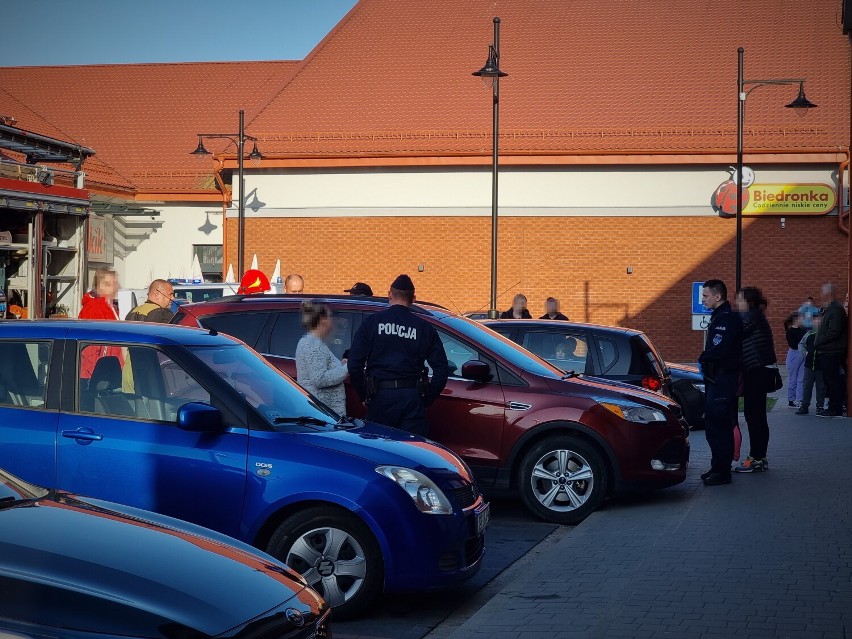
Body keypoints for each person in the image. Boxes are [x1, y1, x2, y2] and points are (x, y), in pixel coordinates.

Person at [347, 274, 449, 436]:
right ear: (413, 298)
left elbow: (354, 365)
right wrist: (425, 399)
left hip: (380, 398)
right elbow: (441, 370)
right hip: (411, 400)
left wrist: (363, 395)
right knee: (411, 453)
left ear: (389, 294)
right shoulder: (424, 328)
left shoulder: (372, 323)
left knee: (380, 452)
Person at [697, 279, 742, 486]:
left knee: (719, 425)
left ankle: (722, 471)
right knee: (713, 425)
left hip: (723, 379)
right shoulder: (719, 316)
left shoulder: (726, 318)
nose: (703, 299)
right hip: (717, 378)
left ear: (718, 296)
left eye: (706, 296)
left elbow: (720, 349)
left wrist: (704, 357)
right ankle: (717, 467)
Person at [734, 287, 777, 473]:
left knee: (755, 416)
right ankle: (759, 456)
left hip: (757, 371)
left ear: (748, 302)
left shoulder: (750, 317)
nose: (737, 304)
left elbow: (735, 333)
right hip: (760, 370)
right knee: (756, 416)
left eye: (739, 300)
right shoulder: (756, 316)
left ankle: (756, 458)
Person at [295, 301, 349, 416]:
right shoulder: (313, 344)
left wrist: (340, 365)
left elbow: (320, 368)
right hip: (324, 415)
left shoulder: (313, 342)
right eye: (329, 317)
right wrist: (347, 368)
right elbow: (320, 378)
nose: (332, 321)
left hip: (323, 413)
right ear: (323, 320)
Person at [78, 268, 123, 380]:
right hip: (97, 374)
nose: (114, 288)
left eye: (115, 284)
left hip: (109, 369)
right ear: (99, 286)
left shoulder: (109, 306)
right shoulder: (94, 308)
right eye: (108, 284)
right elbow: (91, 347)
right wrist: (96, 375)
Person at [814, 283, 848, 418]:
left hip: (832, 352)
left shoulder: (835, 309)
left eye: (822, 293)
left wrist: (818, 341)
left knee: (832, 381)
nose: (820, 296)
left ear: (828, 294)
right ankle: (833, 407)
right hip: (828, 351)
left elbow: (834, 331)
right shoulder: (829, 309)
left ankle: (835, 408)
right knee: (830, 381)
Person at [796, 314, 827, 415]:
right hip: (809, 365)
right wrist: (805, 353)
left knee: (821, 387)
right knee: (806, 386)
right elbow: (801, 344)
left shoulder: (825, 334)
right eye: (815, 320)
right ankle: (804, 406)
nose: (817, 322)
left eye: (819, 320)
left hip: (821, 366)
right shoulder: (809, 334)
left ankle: (820, 406)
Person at [783, 312, 806, 408]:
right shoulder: (790, 331)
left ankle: (800, 399)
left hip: (803, 353)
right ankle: (791, 399)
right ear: (796, 320)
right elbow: (793, 344)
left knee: (801, 378)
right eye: (801, 318)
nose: (803, 320)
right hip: (794, 354)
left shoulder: (803, 330)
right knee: (793, 378)